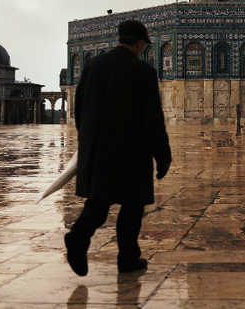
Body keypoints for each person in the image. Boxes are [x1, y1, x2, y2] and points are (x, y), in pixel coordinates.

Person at [64, 20, 172, 277]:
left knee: (98, 202)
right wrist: (163, 157)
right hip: (131, 151)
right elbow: (152, 119)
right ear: (139, 43)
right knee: (132, 206)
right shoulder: (142, 71)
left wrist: (87, 140)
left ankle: (78, 236)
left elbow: (79, 107)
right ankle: (127, 258)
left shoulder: (92, 65)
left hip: (97, 147)